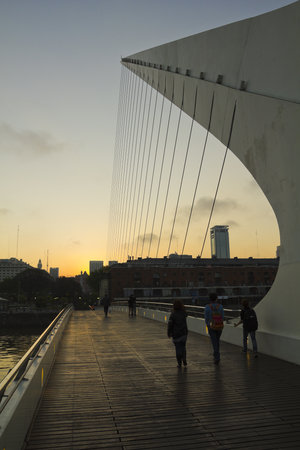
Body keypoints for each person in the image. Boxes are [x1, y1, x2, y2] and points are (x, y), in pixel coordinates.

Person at [167, 299, 188, 368]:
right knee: (183, 347)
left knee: (178, 348)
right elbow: (186, 314)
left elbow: (170, 324)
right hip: (184, 333)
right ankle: (184, 358)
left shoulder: (173, 314)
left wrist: (169, 332)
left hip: (176, 334)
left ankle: (179, 363)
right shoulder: (183, 313)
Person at [205, 293, 224, 364]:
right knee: (217, 341)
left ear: (210, 299)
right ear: (216, 299)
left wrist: (208, 325)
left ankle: (217, 357)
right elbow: (222, 316)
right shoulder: (220, 306)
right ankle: (216, 354)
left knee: (214, 342)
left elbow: (206, 318)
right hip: (219, 326)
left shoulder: (207, 307)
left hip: (211, 326)